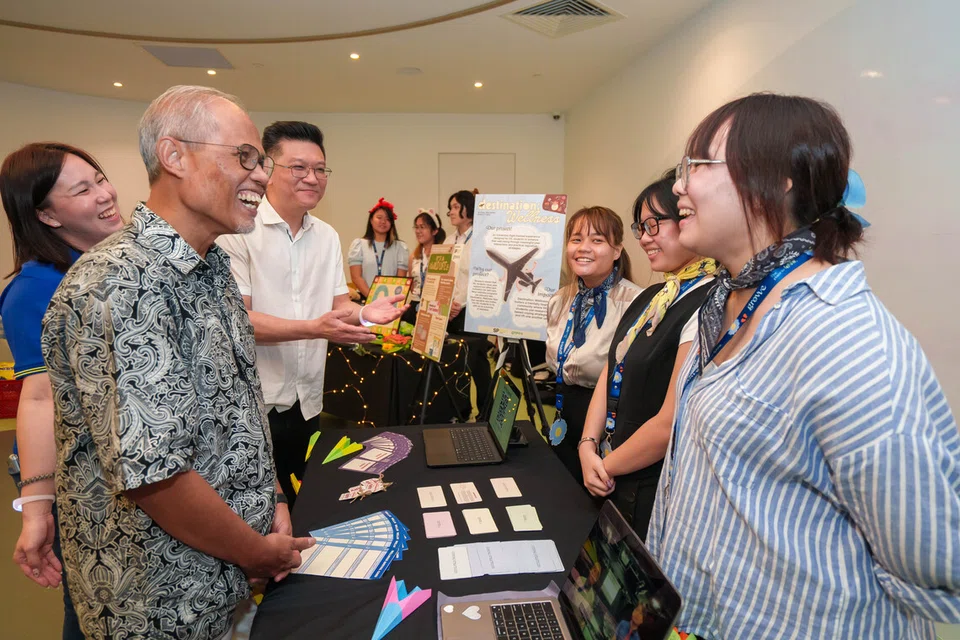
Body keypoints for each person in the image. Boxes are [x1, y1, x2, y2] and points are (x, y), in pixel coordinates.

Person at [647, 93, 960, 638]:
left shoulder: (846, 341)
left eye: (696, 166)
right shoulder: (721, 305)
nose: (678, 186)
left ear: (780, 177)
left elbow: (935, 558)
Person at [40, 85, 316, 640]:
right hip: (161, 602)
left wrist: (275, 500)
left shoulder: (210, 265)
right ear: (174, 156)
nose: (261, 175)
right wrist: (258, 551)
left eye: (260, 160)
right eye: (244, 156)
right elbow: (156, 476)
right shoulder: (121, 284)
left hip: (225, 581)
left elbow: (240, 402)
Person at [218, 122, 404, 505]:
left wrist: (367, 313)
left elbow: (338, 307)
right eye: (298, 168)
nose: (313, 178)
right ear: (268, 169)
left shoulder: (327, 236)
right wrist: (315, 328)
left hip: (309, 401)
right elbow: (241, 321)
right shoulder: (237, 231)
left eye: (320, 169)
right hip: (256, 403)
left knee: (307, 500)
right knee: (261, 509)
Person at [0, 142, 125, 639]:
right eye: (83, 189)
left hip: (125, 472)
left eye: (100, 178)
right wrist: (37, 510)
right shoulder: (35, 289)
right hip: (79, 481)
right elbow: (39, 398)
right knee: (99, 612)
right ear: (47, 216)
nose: (106, 194)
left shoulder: (112, 262)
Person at [576, 171, 717, 538]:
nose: (644, 238)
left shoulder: (710, 303)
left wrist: (604, 465)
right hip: (611, 472)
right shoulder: (652, 297)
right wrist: (587, 445)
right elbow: (611, 372)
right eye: (641, 227)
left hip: (649, 486)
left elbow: (670, 421)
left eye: (654, 225)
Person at [545, 206, 642, 487]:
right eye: (576, 239)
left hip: (609, 423)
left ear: (617, 250)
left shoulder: (635, 303)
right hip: (564, 411)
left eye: (597, 240)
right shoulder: (559, 300)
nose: (583, 248)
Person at [446, 189, 492, 416]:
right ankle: (460, 411)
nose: (451, 212)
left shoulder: (482, 240)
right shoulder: (448, 239)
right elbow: (445, 276)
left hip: (473, 311)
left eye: (456, 207)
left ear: (469, 210)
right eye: (451, 208)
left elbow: (482, 277)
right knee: (456, 364)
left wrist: (459, 303)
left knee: (478, 365)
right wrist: (447, 303)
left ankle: (486, 413)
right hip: (450, 312)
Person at [349, 197, 409, 298]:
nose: (383, 222)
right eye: (379, 217)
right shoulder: (359, 245)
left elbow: (400, 280)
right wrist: (372, 298)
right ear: (371, 220)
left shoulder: (400, 247)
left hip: (390, 301)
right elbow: (356, 277)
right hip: (365, 299)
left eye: (387, 219)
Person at [402, 207, 445, 325]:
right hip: (415, 305)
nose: (418, 231)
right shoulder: (413, 256)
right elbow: (411, 284)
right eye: (416, 227)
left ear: (435, 231)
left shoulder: (442, 255)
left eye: (423, 227)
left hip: (434, 307)